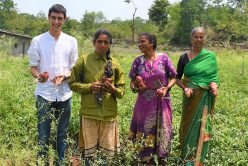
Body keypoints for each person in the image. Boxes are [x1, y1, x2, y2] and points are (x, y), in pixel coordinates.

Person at [27, 4, 78, 165]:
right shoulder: (38, 40)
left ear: (65, 19)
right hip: (44, 93)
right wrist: (39, 76)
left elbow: (73, 68)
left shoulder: (71, 41)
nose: (56, 21)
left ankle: (59, 163)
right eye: (54, 18)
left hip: (64, 93)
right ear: (49, 18)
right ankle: (42, 162)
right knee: (43, 134)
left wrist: (65, 76)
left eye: (60, 18)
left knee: (61, 134)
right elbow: (33, 68)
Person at [68, 29, 125, 165]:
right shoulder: (84, 60)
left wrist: (112, 89)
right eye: (99, 41)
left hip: (109, 114)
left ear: (110, 44)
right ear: (94, 43)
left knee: (106, 156)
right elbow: (72, 83)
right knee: (89, 155)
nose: (103, 45)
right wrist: (90, 87)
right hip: (89, 113)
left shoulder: (115, 64)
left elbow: (121, 91)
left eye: (106, 42)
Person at [128, 32, 177, 165]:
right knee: (145, 129)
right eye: (139, 42)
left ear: (151, 43)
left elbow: (174, 77)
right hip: (144, 103)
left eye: (142, 41)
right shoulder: (138, 61)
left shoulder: (164, 58)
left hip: (162, 100)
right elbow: (132, 82)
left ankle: (162, 159)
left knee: (164, 128)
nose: (140, 44)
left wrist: (166, 88)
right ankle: (146, 160)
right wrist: (137, 88)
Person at [176, 27, 220, 166]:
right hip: (190, 98)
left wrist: (214, 85)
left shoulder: (210, 57)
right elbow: (177, 78)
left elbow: (214, 78)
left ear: (204, 39)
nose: (199, 39)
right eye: (196, 37)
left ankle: (199, 159)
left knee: (202, 126)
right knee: (189, 126)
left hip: (205, 98)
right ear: (191, 38)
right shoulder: (184, 57)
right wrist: (185, 88)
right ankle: (187, 157)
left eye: (201, 37)